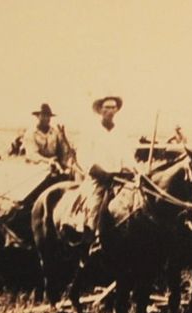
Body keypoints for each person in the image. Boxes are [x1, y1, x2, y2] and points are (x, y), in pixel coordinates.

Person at [76, 95, 136, 253]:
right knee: (95, 207)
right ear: (100, 110)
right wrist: (98, 171)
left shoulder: (121, 132)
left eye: (113, 107)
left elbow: (128, 155)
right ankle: (91, 243)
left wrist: (130, 169)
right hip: (98, 179)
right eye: (107, 107)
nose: (110, 111)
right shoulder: (91, 131)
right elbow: (83, 155)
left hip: (118, 179)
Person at [21, 103, 74, 173]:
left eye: (48, 116)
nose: (46, 118)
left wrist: (67, 163)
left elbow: (63, 151)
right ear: (37, 116)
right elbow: (32, 155)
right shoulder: (30, 133)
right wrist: (47, 161)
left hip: (55, 166)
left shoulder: (55, 133)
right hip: (36, 168)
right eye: (43, 115)